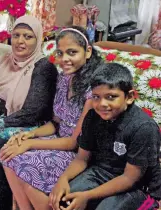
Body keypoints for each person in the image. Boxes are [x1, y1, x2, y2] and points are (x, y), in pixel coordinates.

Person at [0, 26, 103, 210]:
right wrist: (30, 135)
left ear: (87, 52)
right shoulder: (63, 78)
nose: (65, 59)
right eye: (60, 53)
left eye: (72, 52)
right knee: (8, 152)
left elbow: (73, 142)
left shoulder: (93, 91)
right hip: (57, 139)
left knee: (24, 166)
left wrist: (31, 144)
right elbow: (56, 123)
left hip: (77, 152)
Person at [0, 15, 59, 210]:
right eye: (16, 35)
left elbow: (34, 111)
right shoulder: (2, 61)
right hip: (2, 120)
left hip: (30, 125)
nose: (20, 41)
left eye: (28, 36)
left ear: (38, 39)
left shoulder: (44, 68)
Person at [50, 63, 161, 210]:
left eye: (111, 97)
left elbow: (130, 178)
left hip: (138, 187)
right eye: (96, 97)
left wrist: (87, 196)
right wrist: (62, 180)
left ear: (129, 97)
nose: (102, 104)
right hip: (100, 173)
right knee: (63, 201)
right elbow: (81, 159)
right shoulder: (92, 117)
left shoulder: (143, 127)